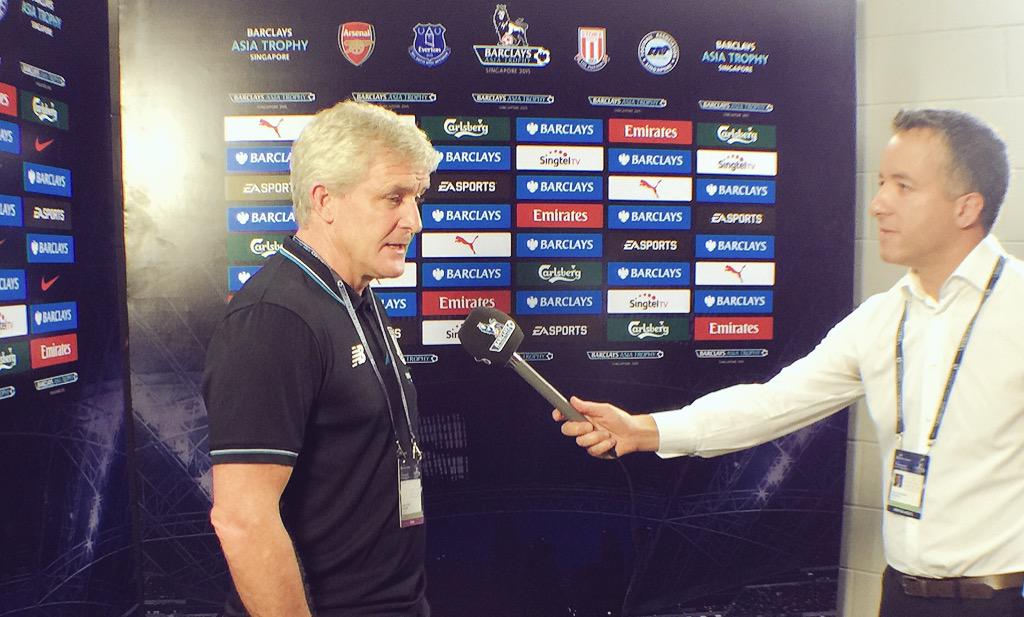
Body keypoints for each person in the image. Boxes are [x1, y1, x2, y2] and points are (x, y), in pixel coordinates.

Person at [554, 109, 1024, 617]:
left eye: (904, 186)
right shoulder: (881, 318)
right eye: (882, 183)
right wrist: (643, 429)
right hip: (901, 597)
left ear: (966, 207)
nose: (878, 204)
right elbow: (773, 404)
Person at [203, 100, 440, 616]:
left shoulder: (354, 294)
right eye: (393, 198)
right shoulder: (274, 317)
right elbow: (242, 519)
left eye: (416, 198)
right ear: (325, 200)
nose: (414, 221)